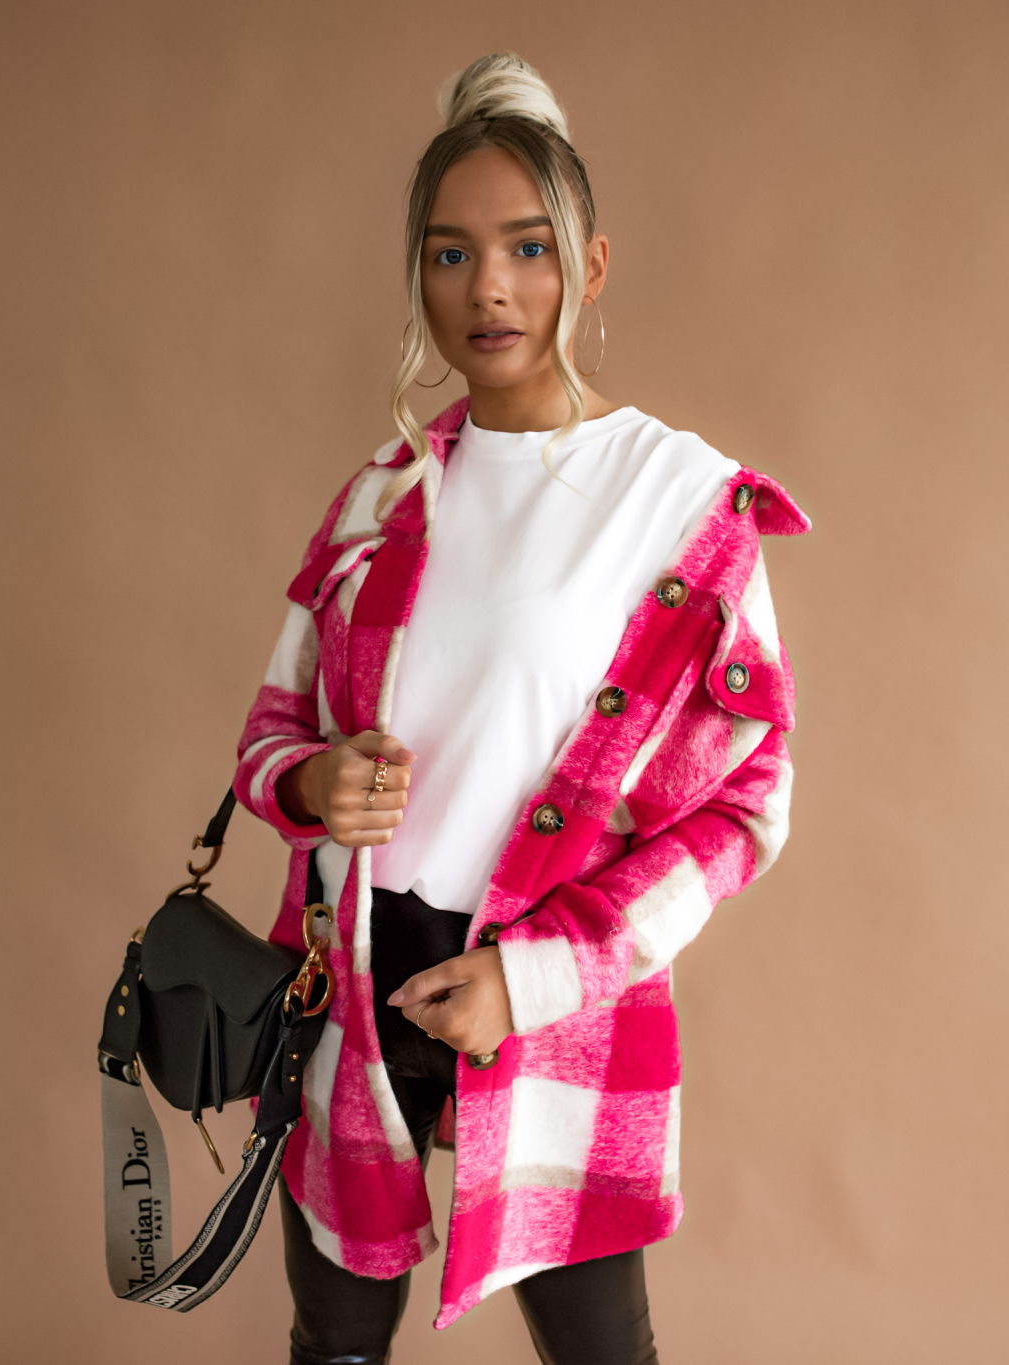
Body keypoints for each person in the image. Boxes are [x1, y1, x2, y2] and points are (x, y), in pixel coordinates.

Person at [234, 51, 809, 1365]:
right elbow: (269, 735)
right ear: (419, 275)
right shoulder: (381, 495)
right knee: (333, 1341)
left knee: (602, 1351)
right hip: (353, 976)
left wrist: (535, 977)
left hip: (552, 989)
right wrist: (313, 782)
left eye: (526, 249)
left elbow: (749, 803)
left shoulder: (680, 500)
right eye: (449, 254)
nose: (486, 287)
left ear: (588, 267)